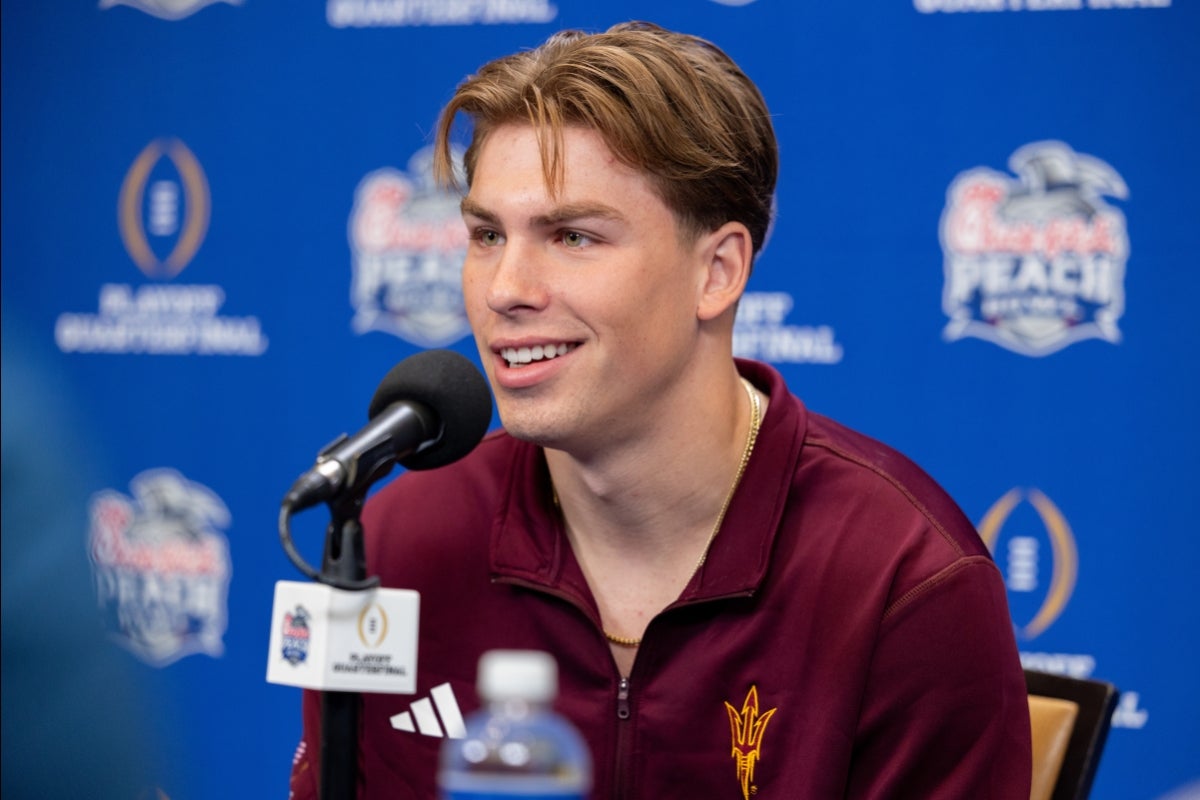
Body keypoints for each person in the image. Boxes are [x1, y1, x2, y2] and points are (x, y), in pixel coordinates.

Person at [290, 21, 1031, 799]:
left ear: (717, 271)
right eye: (486, 234)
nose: (505, 288)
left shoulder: (903, 580)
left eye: (572, 235)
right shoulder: (399, 544)